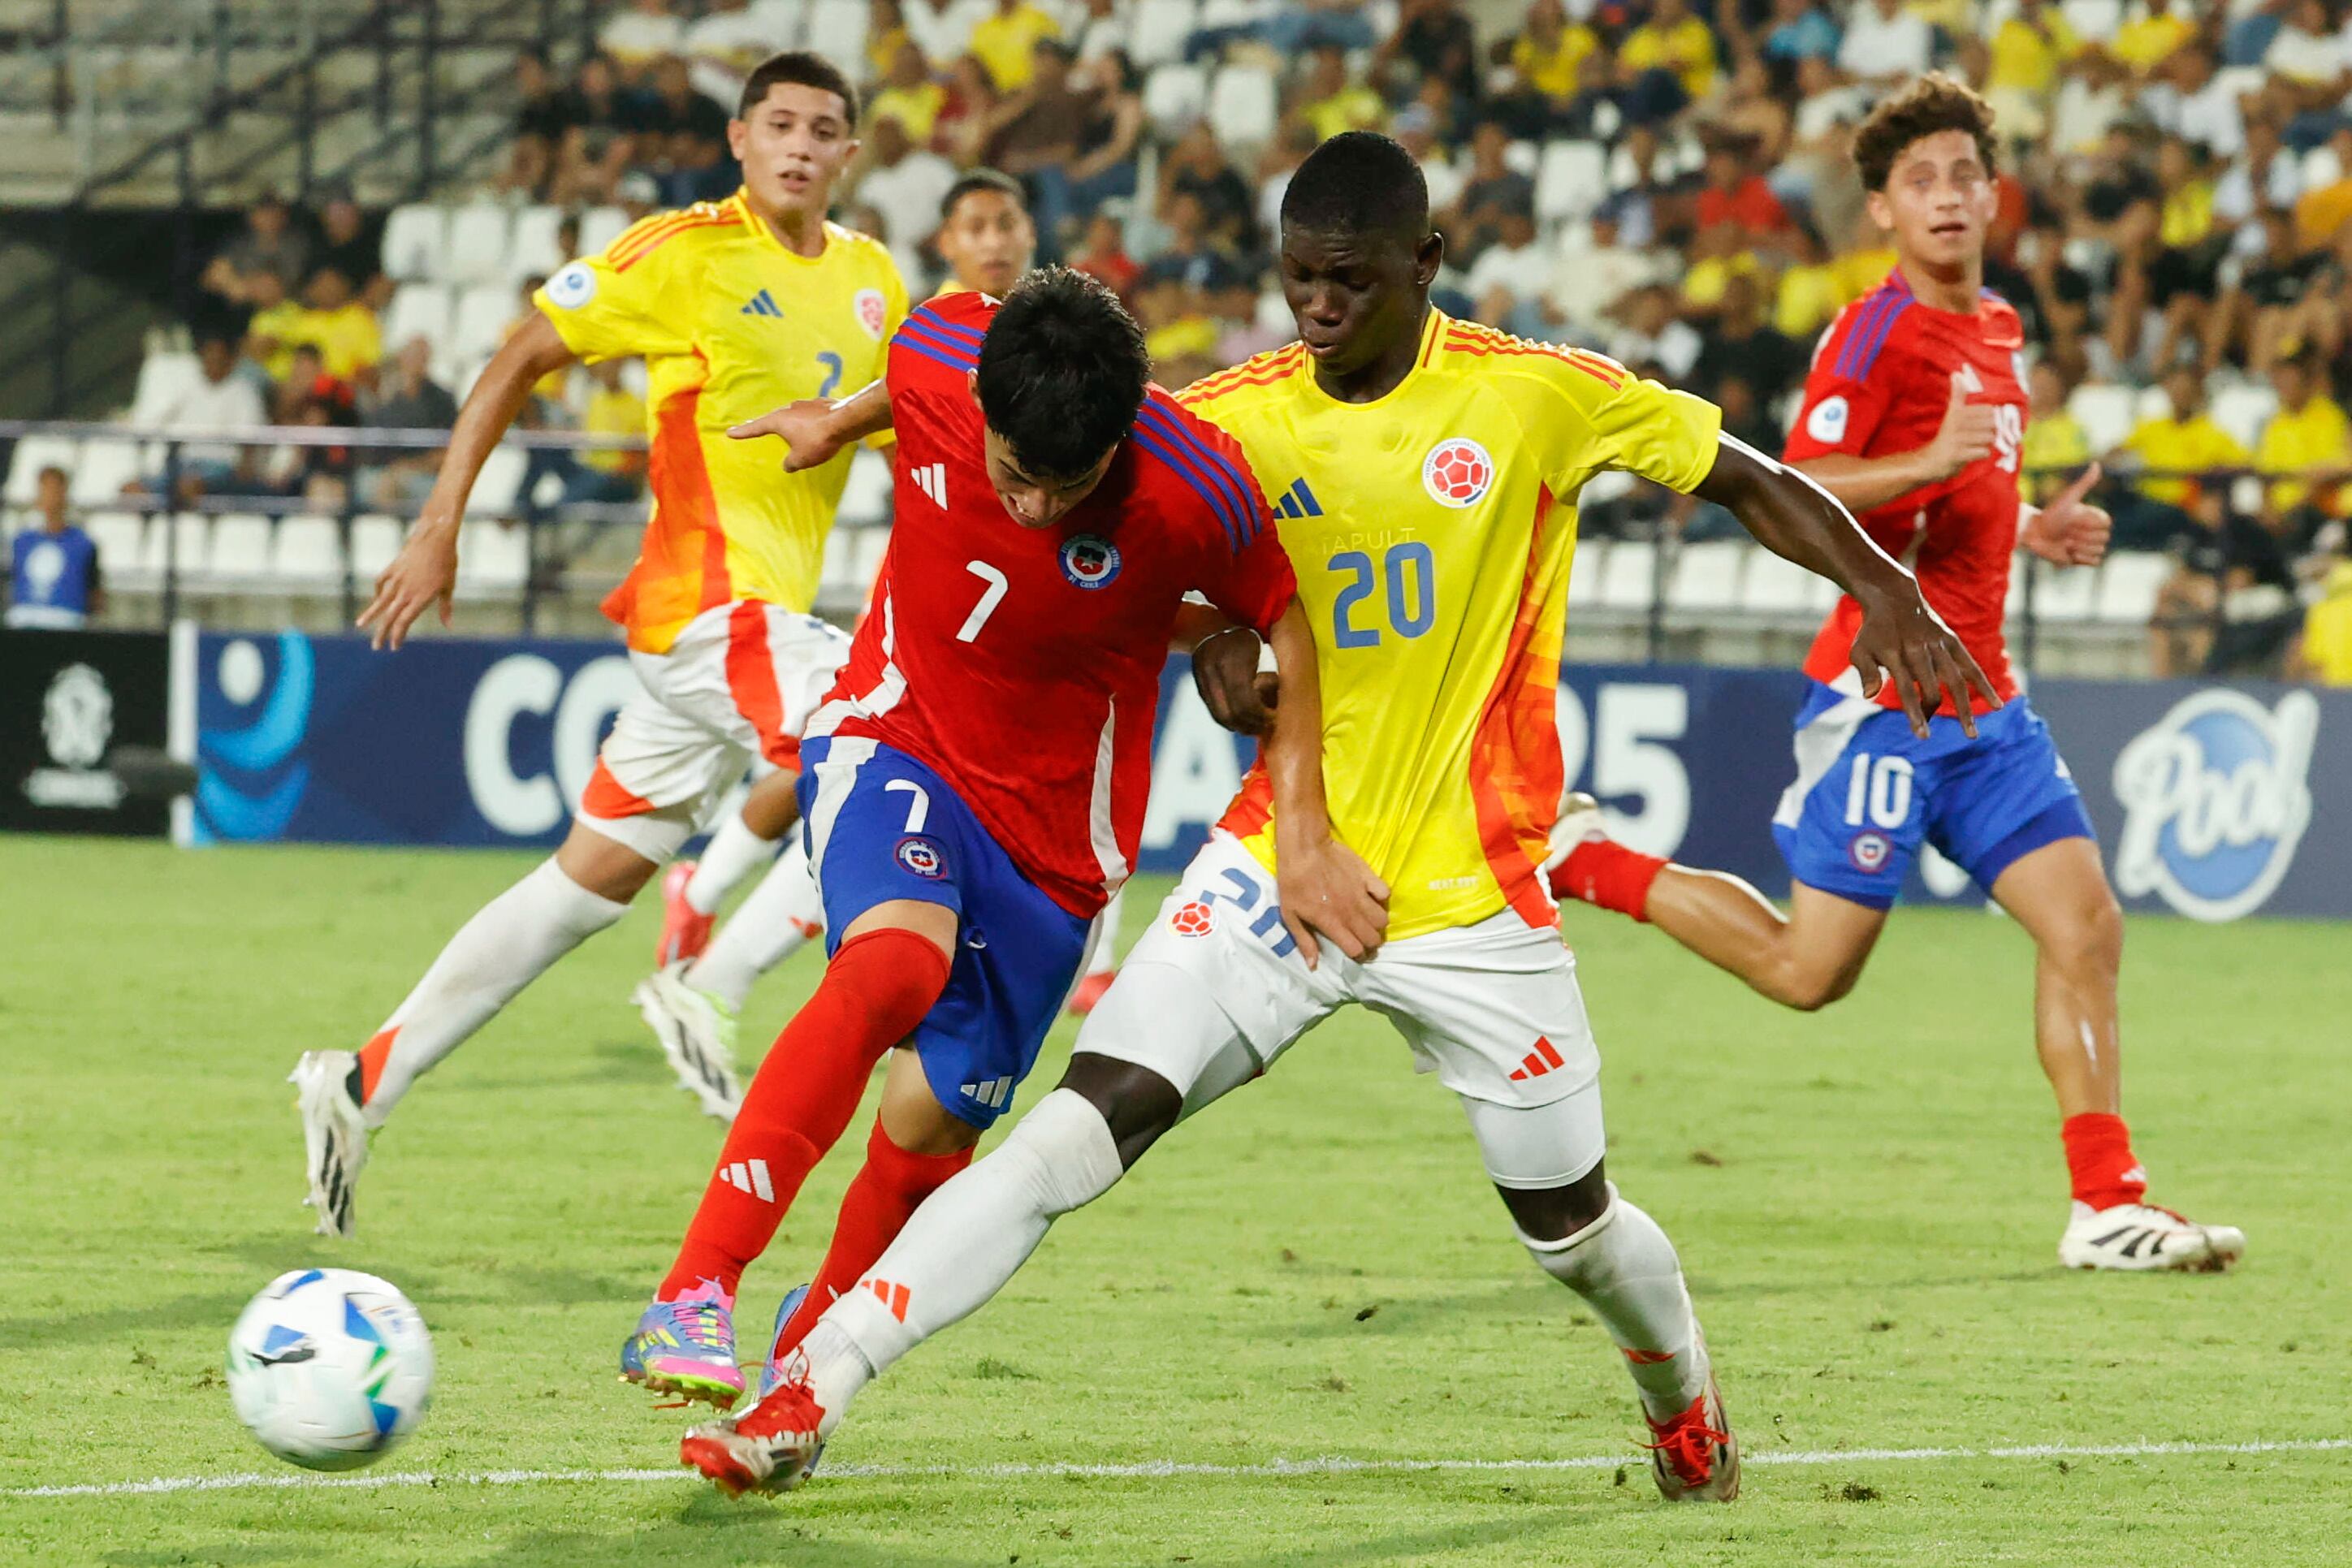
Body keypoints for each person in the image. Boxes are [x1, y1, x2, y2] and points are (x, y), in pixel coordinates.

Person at [681, 129, 1994, 1501]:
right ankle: (806, 1391)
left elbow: (1743, 473)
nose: (1317, 306)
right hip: (1272, 871)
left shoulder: (1533, 396)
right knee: (1076, 1132)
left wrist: (1889, 594)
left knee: (1572, 1231)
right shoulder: (1228, 419)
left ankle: (1681, 1398)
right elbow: (1166, 583)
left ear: (1425, 264)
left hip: (1472, 891)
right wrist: (1213, 653)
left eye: (1350, 282)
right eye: (1299, 278)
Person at [1549, 76, 2245, 1273]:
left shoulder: (2001, 330)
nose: (1947, 197)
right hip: (1883, 702)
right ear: (1880, 209)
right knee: (1807, 971)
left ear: (1994, 192)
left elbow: (1960, 492)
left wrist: (2026, 528)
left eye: (1964, 174)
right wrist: (1929, 453)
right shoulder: (1874, 332)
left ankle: (2106, 1201)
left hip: (1990, 706)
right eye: (1919, 180)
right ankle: (1587, 858)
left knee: (2084, 924)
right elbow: (1797, 481)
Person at [618, 269, 1314, 1413]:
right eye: (1012, 475)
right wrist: (834, 422)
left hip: (1056, 842)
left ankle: (808, 1359)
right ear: (981, 411)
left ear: (1120, 438)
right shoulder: (941, 346)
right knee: (894, 961)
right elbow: (901, 379)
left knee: (932, 1117)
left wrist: (1235, 649)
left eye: (1068, 486)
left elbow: (1277, 601)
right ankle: (695, 1289)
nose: (1034, 509)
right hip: (899, 727)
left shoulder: (1200, 485)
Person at [288, 53, 910, 1235]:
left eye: (824, 128)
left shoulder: (875, 279)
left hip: (740, 642)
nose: (799, 143)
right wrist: (438, 525)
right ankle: (729, 981)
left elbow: (910, 427)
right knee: (885, 740)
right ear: (738, 138)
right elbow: (523, 353)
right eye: (777, 121)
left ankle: (363, 1076)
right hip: (704, 614)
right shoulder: (680, 252)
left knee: (585, 887)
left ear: (849, 155)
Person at [6, 467, 102, 629]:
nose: (51, 497)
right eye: (45, 490)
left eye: (56, 490)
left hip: (67, 620)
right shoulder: (21, 541)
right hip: (25, 620)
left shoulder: (83, 544)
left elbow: (94, 592)